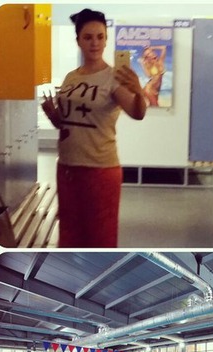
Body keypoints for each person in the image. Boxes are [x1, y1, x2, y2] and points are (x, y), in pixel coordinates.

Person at [41, 8, 146, 248]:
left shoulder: (114, 77)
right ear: (78, 40)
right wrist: (53, 115)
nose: (95, 43)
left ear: (106, 40)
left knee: (100, 237)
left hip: (100, 170)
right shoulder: (71, 77)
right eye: (88, 37)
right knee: (69, 233)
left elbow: (137, 113)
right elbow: (66, 124)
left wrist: (139, 91)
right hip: (67, 168)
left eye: (100, 37)